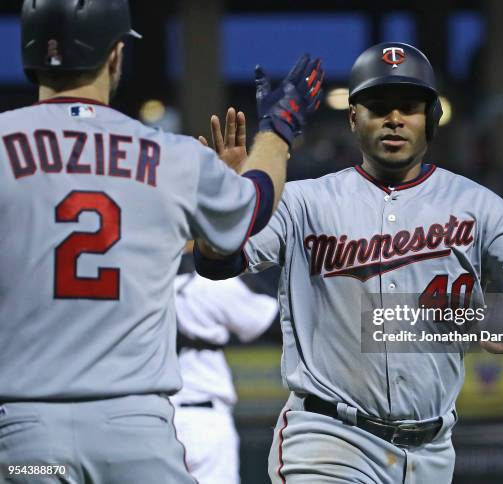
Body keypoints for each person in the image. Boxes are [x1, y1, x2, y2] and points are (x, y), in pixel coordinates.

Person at [195, 42, 503, 484]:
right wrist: (231, 205)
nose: (394, 119)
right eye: (378, 107)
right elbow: (217, 262)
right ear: (353, 118)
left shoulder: (478, 205)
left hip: (432, 452)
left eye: (409, 107)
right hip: (328, 439)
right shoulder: (303, 202)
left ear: (430, 118)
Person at [0, 1, 322, 482]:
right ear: (115, 55)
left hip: (27, 435)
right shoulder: (166, 156)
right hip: (135, 435)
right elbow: (254, 205)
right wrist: (278, 130)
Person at [171, 255, 278, 484]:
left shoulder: (136, 289)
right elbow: (278, 323)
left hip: (148, 421)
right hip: (203, 421)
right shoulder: (207, 286)